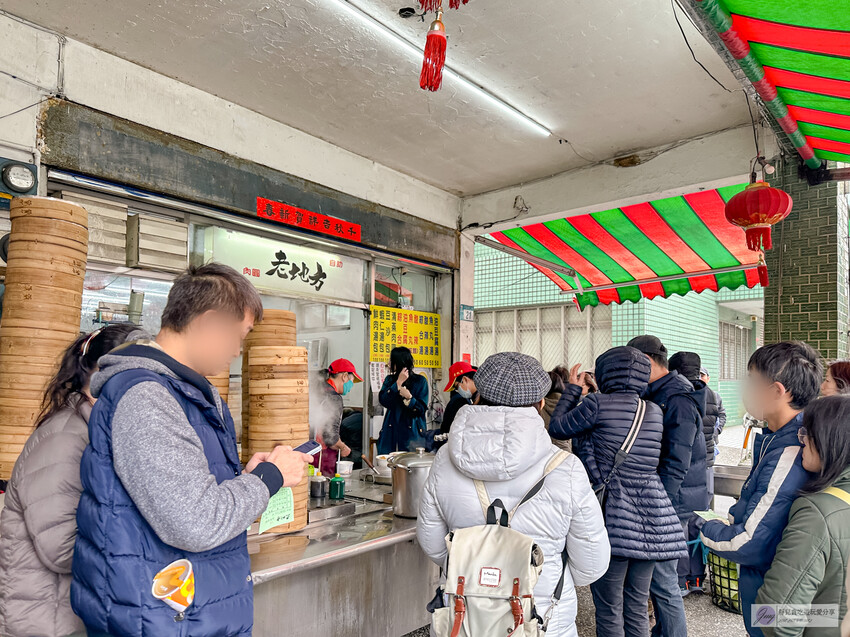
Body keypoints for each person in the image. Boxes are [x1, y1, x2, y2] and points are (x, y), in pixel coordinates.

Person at [70, 264, 312, 637]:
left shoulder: (181, 390)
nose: (237, 350)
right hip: (160, 617)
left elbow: (185, 494)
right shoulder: (146, 398)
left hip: (183, 612)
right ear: (209, 322)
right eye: (240, 335)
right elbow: (195, 522)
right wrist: (269, 477)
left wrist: (244, 479)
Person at [417, 352, 610, 637]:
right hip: (541, 622)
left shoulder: (445, 459)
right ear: (541, 403)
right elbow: (591, 564)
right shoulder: (566, 468)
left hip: (464, 618)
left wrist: (480, 574)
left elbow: (433, 544)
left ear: (478, 396)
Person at [0, 324, 140, 637]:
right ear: (98, 375)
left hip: (70, 613)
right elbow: (61, 550)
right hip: (47, 620)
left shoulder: (97, 432)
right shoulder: (65, 439)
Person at [548, 346, 687, 637]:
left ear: (606, 372)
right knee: (636, 604)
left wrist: (574, 390)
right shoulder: (652, 410)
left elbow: (559, 428)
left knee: (610, 607)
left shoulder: (597, 404)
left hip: (612, 513)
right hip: (652, 515)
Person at [700, 341, 822, 637]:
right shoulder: (777, 437)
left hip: (776, 590)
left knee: (769, 632)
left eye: (752, 381)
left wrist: (704, 528)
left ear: (778, 391)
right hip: (774, 586)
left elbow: (750, 542)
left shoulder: (792, 449)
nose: (745, 390)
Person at [627, 336, 704, 637]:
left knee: (662, 579)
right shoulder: (659, 392)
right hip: (667, 498)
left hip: (673, 500)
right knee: (658, 578)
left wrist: (660, 506)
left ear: (645, 361)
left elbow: (676, 460)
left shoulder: (677, 398)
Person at [756, 395, 850, 636]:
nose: (802, 440)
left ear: (833, 440)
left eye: (809, 432)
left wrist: (824, 615)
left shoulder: (817, 513)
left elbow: (774, 616)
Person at [668, 352, 712, 595]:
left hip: (683, 478)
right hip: (701, 469)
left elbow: (677, 450)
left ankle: (682, 582)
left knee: (680, 532)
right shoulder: (707, 395)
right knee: (695, 526)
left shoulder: (678, 400)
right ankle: (697, 579)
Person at [311, 358, 362, 476]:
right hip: (322, 455)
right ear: (344, 376)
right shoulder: (334, 398)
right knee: (322, 488)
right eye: (352, 381)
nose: (351, 386)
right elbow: (330, 438)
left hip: (309, 450)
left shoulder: (318, 390)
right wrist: (343, 447)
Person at [377, 346, 429, 453]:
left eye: (392, 360)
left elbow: (421, 409)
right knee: (389, 464)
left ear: (398, 362)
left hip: (412, 435)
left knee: (410, 465)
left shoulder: (420, 381)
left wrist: (410, 398)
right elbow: (383, 400)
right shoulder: (390, 380)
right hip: (391, 431)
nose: (389, 363)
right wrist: (397, 384)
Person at [700, 367, 726, 489]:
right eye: (698, 375)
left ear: (708, 378)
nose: (700, 378)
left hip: (711, 443)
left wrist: (717, 430)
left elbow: (722, 415)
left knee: (708, 474)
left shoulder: (715, 396)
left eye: (702, 375)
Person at [439, 360, 476, 435]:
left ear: (465, 380)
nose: (458, 390)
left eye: (457, 386)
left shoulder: (481, 398)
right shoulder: (473, 399)